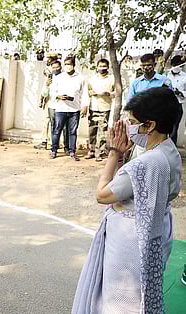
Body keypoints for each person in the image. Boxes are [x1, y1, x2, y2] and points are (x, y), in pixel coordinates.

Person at [72, 87, 182, 313]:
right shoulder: (170, 152)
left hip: (129, 242)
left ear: (149, 125)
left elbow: (102, 194)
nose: (130, 128)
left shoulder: (145, 163)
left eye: (133, 122)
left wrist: (113, 153)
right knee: (143, 294)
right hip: (157, 232)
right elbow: (131, 186)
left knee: (120, 300)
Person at [49, 56, 89, 160]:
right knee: (57, 130)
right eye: (66, 64)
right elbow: (52, 91)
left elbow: (84, 93)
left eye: (69, 64)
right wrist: (58, 96)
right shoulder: (59, 77)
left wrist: (85, 106)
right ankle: (54, 150)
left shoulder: (80, 78)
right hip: (61, 108)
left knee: (73, 131)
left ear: (74, 65)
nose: (67, 66)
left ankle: (72, 151)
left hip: (74, 109)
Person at [34, 60, 68, 150]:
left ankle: (63, 145)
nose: (55, 69)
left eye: (57, 67)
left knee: (61, 124)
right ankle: (44, 142)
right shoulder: (49, 77)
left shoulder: (64, 77)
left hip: (60, 102)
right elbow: (44, 91)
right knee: (46, 121)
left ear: (61, 67)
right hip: (49, 101)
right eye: (53, 67)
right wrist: (41, 100)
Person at [85, 59, 115, 162]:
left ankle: (100, 152)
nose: (102, 68)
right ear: (97, 67)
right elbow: (88, 91)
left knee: (102, 131)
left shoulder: (112, 79)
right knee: (92, 130)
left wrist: (109, 94)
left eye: (104, 66)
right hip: (94, 107)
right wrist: (91, 92)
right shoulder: (92, 79)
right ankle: (91, 151)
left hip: (105, 107)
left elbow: (116, 92)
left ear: (108, 67)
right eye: (100, 66)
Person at [167, 55, 186, 145]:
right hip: (166, 104)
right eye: (176, 64)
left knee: (174, 129)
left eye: (180, 64)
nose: (178, 66)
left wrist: (180, 93)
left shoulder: (184, 76)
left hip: (178, 105)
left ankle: (172, 148)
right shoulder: (167, 76)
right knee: (165, 127)